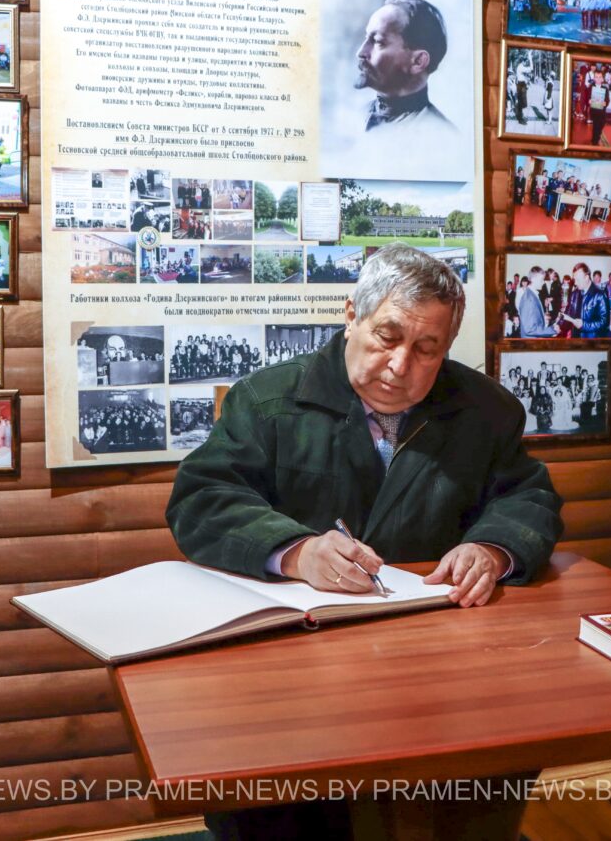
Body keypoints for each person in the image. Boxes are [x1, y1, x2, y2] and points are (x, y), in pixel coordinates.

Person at [167, 244, 562, 841]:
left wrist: (493, 548)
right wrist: (296, 551)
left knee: (468, 796)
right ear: (351, 314)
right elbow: (201, 499)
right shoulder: (268, 400)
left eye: (426, 349)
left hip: (434, 662)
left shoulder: (485, 410)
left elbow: (527, 496)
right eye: (387, 337)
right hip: (293, 668)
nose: (400, 365)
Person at [356, 0, 457, 142]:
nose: (360, 53)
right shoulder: (353, 119)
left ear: (418, 61)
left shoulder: (441, 137)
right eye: (366, 38)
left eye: (378, 42)